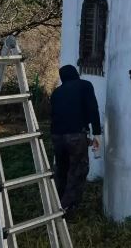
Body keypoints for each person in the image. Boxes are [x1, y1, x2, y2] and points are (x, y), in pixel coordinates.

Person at [50, 64, 101, 218]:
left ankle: (56, 203)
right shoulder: (85, 86)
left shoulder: (56, 93)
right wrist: (97, 133)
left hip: (57, 136)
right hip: (76, 136)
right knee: (77, 171)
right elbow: (93, 109)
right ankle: (66, 209)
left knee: (62, 170)